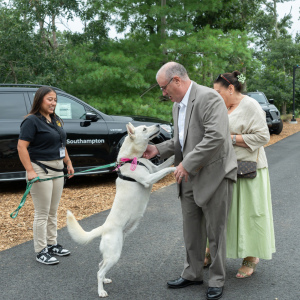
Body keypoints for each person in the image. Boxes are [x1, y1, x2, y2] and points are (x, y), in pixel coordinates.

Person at [143, 62, 237, 300]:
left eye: (164, 87)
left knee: (216, 231)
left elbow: (215, 136)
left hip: (215, 174)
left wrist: (186, 164)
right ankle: (193, 273)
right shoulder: (177, 107)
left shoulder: (209, 98)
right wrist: (158, 149)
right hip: (188, 177)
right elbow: (183, 141)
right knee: (192, 230)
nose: (163, 93)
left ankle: (217, 279)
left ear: (176, 81)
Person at [211, 71, 276, 278]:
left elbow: (263, 136)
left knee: (250, 213)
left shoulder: (250, 105)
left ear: (231, 88)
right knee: (227, 212)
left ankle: (251, 256)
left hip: (249, 169)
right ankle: (212, 249)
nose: (216, 95)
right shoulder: (223, 105)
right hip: (226, 167)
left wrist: (230, 138)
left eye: (218, 91)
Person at [17, 86, 74, 265]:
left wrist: (68, 162)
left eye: (55, 100)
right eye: (50, 99)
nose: (53, 103)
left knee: (52, 210)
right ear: (40, 99)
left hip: (58, 169)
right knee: (42, 213)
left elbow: (61, 144)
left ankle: (52, 243)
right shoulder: (31, 121)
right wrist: (30, 171)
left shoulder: (55, 119)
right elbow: (21, 147)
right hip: (40, 169)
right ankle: (41, 250)